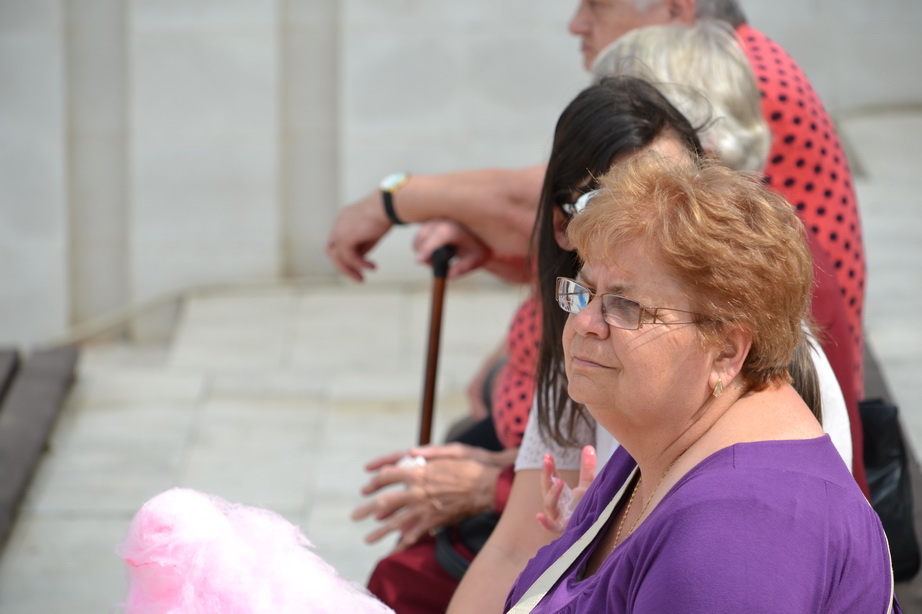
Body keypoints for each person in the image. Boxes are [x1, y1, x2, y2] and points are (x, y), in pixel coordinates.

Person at [324, 0, 866, 396]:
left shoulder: (726, 80)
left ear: (675, 10)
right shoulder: (718, 63)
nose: (575, 23)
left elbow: (541, 204)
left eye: (596, 4)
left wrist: (397, 198)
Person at [504, 153, 896, 613]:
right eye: (585, 291)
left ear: (726, 351)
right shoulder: (661, 439)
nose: (586, 322)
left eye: (625, 306)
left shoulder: (740, 532)